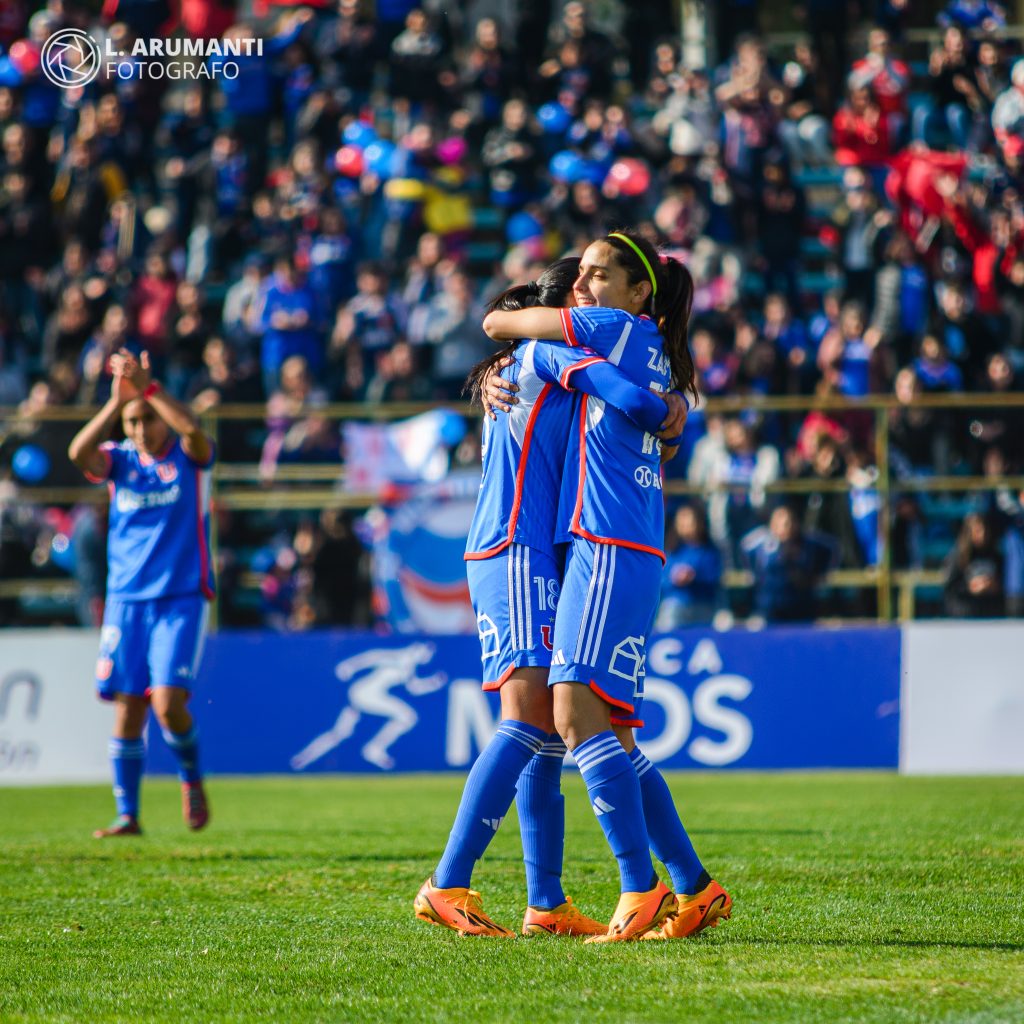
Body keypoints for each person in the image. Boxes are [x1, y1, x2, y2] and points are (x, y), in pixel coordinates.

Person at [414, 256, 688, 939]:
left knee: (541, 730)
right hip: (515, 548)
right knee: (530, 715)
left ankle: (544, 900)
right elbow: (629, 401)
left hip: (526, 548)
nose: (587, 298)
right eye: (578, 288)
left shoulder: (516, 368)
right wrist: (672, 410)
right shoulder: (549, 358)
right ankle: (448, 882)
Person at [471, 232, 730, 943]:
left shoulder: (605, 331)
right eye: (577, 278)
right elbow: (661, 425)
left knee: (565, 717)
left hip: (605, 542)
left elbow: (498, 319)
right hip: (608, 543)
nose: (583, 287)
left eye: (596, 275)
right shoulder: (635, 344)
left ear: (636, 291)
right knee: (600, 728)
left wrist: (524, 346)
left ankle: (634, 888)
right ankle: (693, 888)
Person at [67, 348, 215, 838]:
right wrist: (117, 402)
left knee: (167, 704)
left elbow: (193, 429)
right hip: (125, 601)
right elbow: (76, 453)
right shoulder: (120, 462)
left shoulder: (188, 459)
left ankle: (190, 777)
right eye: (132, 423)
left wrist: (149, 390)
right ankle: (128, 814)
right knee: (128, 707)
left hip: (180, 598)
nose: (139, 430)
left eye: (147, 420)